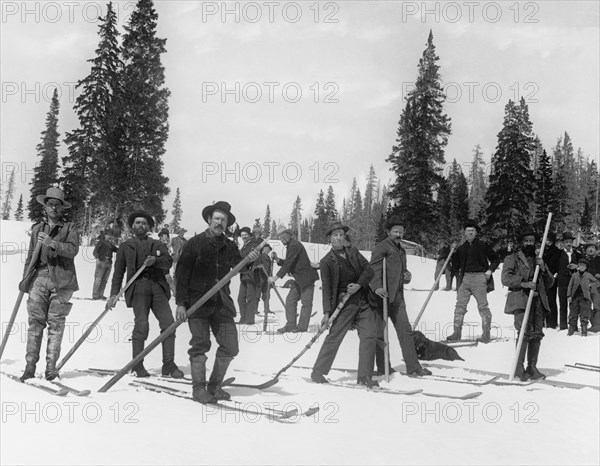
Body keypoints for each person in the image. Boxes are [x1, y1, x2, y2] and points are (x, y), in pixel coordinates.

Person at [175, 201, 259, 403]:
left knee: (230, 346)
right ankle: (198, 389)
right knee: (200, 345)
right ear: (209, 220)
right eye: (217, 219)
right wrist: (180, 303)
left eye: (224, 220)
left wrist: (250, 259)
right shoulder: (194, 244)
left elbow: (240, 269)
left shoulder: (229, 246)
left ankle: (213, 386)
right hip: (198, 303)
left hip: (221, 304)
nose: (220, 223)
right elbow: (181, 274)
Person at [108, 212, 183, 379]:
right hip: (138, 289)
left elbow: (168, 262)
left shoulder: (157, 244)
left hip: (157, 287)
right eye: (137, 223)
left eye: (144, 223)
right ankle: (137, 365)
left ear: (148, 227)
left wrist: (155, 261)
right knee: (142, 325)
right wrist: (114, 294)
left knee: (169, 324)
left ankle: (169, 365)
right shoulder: (125, 247)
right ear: (133, 226)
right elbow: (118, 272)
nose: (140, 225)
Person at [19, 187, 80, 382]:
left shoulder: (69, 228)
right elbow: (30, 256)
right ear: (45, 206)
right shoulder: (37, 228)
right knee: (35, 323)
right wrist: (25, 281)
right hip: (38, 278)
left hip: (62, 281)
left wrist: (52, 242)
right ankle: (29, 367)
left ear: (62, 208)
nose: (53, 207)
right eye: (50, 204)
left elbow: (73, 250)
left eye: (57, 205)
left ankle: (51, 369)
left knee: (56, 324)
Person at [310, 223, 378, 387]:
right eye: (335, 235)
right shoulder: (326, 261)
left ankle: (364, 377)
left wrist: (359, 285)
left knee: (369, 336)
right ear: (330, 239)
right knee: (335, 336)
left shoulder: (353, 252)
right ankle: (318, 372)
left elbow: (368, 270)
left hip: (363, 298)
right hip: (344, 303)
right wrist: (327, 312)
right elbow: (326, 289)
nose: (339, 238)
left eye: (341, 234)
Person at [369, 216, 431, 377]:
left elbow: (402, 272)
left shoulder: (401, 250)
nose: (398, 234)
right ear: (388, 232)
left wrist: (407, 275)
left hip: (397, 298)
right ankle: (384, 367)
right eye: (395, 231)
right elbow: (373, 271)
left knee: (406, 332)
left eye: (401, 232)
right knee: (380, 334)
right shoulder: (381, 248)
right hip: (380, 298)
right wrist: (376, 288)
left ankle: (414, 367)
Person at [501, 226, 554, 381]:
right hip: (521, 301)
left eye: (532, 241)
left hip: (538, 302)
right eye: (526, 241)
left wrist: (543, 267)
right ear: (521, 242)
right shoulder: (512, 259)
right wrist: (523, 282)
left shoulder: (539, 260)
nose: (529, 243)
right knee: (524, 333)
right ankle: (518, 368)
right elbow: (505, 278)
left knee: (537, 334)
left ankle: (532, 367)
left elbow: (550, 283)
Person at [447, 219, 500, 342]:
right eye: (468, 231)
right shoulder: (461, 248)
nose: (470, 233)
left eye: (472, 231)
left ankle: (486, 334)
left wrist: (489, 271)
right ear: (464, 233)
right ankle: (456, 333)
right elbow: (455, 267)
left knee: (483, 306)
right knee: (460, 305)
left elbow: (495, 259)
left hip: (479, 278)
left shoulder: (483, 246)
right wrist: (453, 252)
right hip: (465, 278)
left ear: (476, 233)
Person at [269, 228, 319, 333]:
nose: (281, 239)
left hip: (306, 278)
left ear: (289, 235)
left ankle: (302, 327)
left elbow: (289, 263)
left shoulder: (293, 245)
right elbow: (290, 262)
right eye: (279, 238)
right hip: (300, 279)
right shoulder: (291, 245)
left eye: (283, 236)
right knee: (290, 300)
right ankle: (291, 325)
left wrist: (275, 277)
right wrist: (278, 260)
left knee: (306, 302)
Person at [556, 231, 580, 330]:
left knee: (574, 304)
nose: (569, 244)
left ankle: (573, 326)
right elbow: (553, 266)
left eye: (570, 242)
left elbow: (584, 266)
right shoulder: (558, 254)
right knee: (563, 304)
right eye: (566, 242)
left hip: (574, 282)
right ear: (563, 243)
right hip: (562, 282)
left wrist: (576, 266)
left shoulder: (577, 255)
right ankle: (563, 326)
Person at [237, 226, 261, 325]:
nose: (244, 237)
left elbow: (256, 257)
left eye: (245, 235)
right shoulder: (243, 246)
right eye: (242, 235)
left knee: (250, 298)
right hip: (243, 276)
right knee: (240, 298)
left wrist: (253, 266)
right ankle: (243, 318)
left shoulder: (253, 245)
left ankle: (250, 320)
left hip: (252, 275)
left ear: (249, 235)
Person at [567, 258, 597, 336]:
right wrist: (569, 295)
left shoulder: (588, 275)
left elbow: (596, 282)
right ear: (578, 266)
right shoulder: (574, 275)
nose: (582, 267)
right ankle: (571, 331)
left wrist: (590, 286)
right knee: (573, 314)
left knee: (584, 315)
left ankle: (584, 332)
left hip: (585, 298)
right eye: (580, 265)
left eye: (584, 265)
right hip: (575, 298)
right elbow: (570, 286)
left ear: (586, 267)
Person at [92, 231, 118, 300]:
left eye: (110, 236)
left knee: (104, 280)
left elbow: (117, 250)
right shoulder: (100, 242)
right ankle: (95, 295)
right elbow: (95, 252)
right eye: (108, 235)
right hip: (101, 262)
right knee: (98, 279)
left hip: (109, 262)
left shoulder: (111, 245)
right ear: (105, 235)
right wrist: (99, 259)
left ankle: (101, 295)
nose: (109, 237)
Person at [542, 232, 560, 328]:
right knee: (543, 299)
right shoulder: (542, 251)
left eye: (549, 240)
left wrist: (554, 274)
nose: (548, 242)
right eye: (546, 240)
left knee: (551, 299)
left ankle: (552, 322)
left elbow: (558, 265)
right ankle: (543, 321)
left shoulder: (557, 251)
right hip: (543, 277)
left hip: (552, 277)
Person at [158, 227, 177, 298]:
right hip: (159, 269)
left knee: (169, 281)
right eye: (165, 236)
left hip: (165, 268)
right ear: (161, 237)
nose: (166, 238)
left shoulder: (166, 246)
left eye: (167, 236)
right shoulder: (157, 245)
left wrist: (170, 253)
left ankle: (176, 295)